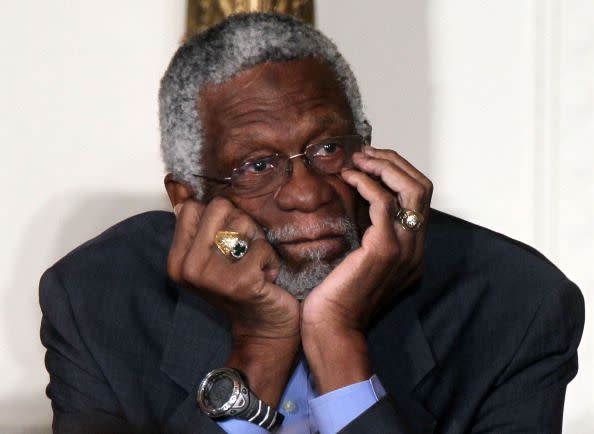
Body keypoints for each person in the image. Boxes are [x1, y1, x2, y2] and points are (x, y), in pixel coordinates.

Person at [39, 13, 584, 434]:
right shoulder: (97, 299)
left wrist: (337, 343)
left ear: (368, 151)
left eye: (328, 148)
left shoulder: (516, 303)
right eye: (256, 165)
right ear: (188, 200)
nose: (307, 192)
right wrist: (260, 342)